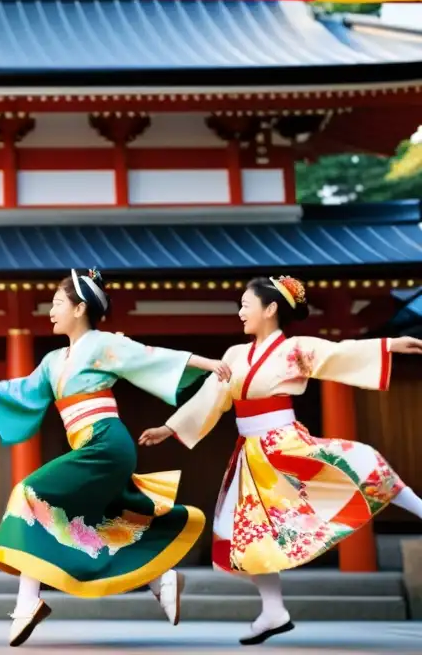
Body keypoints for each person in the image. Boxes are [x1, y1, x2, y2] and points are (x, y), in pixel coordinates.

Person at [139, 275, 422, 646]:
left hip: (286, 444)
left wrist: (388, 345)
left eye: (246, 304)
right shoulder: (234, 356)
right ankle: (274, 610)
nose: (240, 311)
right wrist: (169, 427)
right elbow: (212, 398)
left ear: (270, 309)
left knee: (361, 463)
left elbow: (340, 352)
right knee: (245, 537)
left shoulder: (296, 348)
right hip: (251, 456)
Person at [0, 268, 228, 647]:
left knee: (29, 493)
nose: (50, 311)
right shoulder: (53, 361)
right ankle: (160, 577)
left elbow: (148, 356)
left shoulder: (101, 344)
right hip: (89, 446)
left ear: (80, 308)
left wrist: (206, 363)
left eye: (57, 303)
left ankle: (28, 601)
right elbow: (19, 390)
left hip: (105, 441)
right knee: (98, 522)